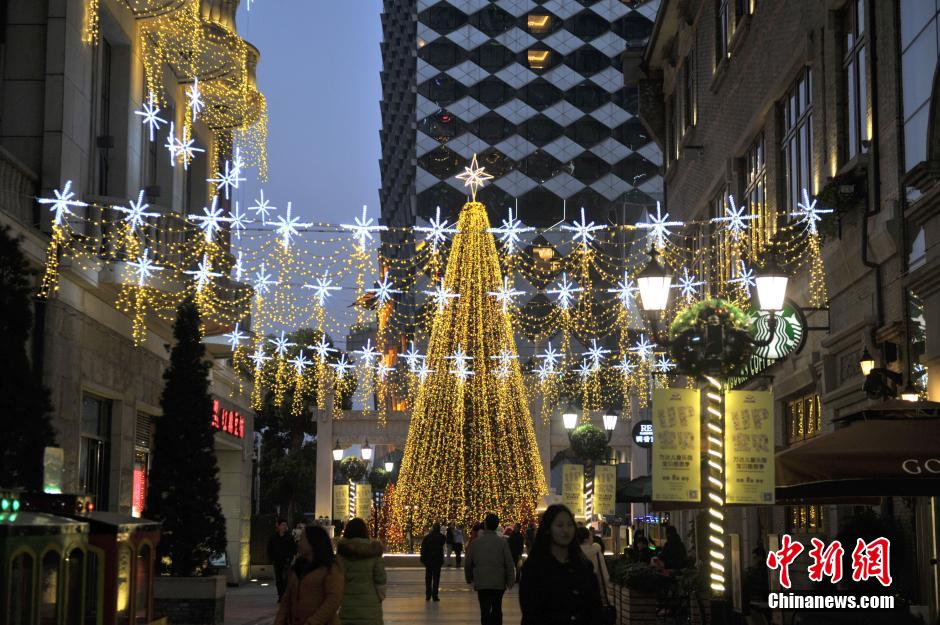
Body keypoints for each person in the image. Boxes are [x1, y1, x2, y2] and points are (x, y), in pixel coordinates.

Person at [519, 504, 603, 625]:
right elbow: (531, 613)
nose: (566, 530)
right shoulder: (534, 568)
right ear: (548, 529)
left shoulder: (583, 566)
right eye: (559, 525)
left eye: (569, 525)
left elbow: (595, 607)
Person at [274, 525, 344, 625]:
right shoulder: (296, 568)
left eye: (302, 539)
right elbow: (287, 600)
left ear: (313, 543)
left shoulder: (330, 568)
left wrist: (313, 622)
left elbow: (333, 599)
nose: (299, 543)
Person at [465, 512, 516, 625]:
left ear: (485, 525)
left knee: (484, 611)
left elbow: (468, 563)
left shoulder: (475, 543)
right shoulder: (502, 543)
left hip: (482, 582)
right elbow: (509, 562)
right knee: (497, 609)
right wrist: (510, 580)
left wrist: (469, 578)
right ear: (497, 525)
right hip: (498, 583)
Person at [337, 518, 387, 625]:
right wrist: (379, 597)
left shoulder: (342, 554)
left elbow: (337, 581)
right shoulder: (374, 553)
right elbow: (381, 581)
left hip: (348, 608)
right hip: (371, 609)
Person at [577, 526, 610, 605]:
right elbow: (604, 577)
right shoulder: (596, 552)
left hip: (578, 595)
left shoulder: (573, 553)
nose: (592, 537)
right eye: (590, 535)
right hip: (595, 593)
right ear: (586, 539)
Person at [268, 518, 298, 602]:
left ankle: (284, 596)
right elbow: (270, 549)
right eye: (283, 525)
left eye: (285, 525)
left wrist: (292, 558)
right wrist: (271, 559)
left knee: (285, 578)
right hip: (277, 561)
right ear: (278, 526)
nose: (284, 527)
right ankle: (280, 595)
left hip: (286, 561)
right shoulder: (273, 537)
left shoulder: (289, 537)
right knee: (278, 579)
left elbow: (294, 549)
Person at [420, 522, 446, 601]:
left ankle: (428, 595)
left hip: (429, 560)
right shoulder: (442, 537)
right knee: (436, 578)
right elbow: (443, 542)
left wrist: (423, 559)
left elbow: (423, 549)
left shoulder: (427, 537)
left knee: (428, 578)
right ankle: (435, 595)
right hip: (437, 560)